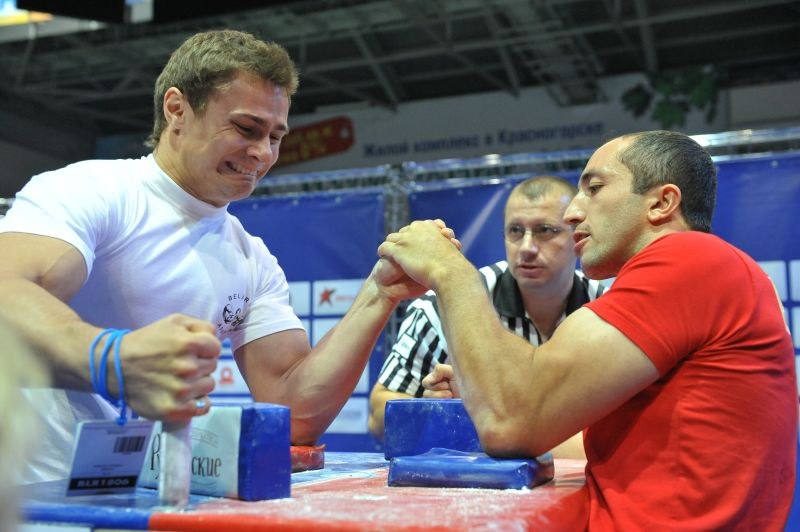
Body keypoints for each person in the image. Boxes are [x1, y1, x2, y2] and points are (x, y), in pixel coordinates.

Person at [0, 29, 430, 483]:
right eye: (246, 128)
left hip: (146, 500)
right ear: (177, 110)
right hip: (27, 495)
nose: (263, 153)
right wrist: (111, 358)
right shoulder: (91, 191)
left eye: (275, 136)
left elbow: (293, 411)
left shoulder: (252, 260)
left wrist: (378, 296)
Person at [378, 130, 798, 529]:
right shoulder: (709, 270)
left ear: (661, 203)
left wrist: (450, 273)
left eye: (594, 188)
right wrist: (485, 389)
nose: (573, 211)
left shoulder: (688, 260)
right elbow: (549, 422)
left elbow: (515, 421)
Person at [368, 176, 605, 457]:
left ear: (576, 234)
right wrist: (442, 410)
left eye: (545, 230)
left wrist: (482, 405)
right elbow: (377, 416)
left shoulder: (606, 305)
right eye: (515, 231)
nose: (527, 247)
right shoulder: (440, 307)